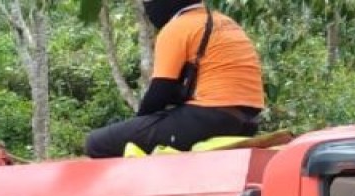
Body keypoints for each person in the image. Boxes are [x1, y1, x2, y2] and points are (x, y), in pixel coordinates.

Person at [83, 0, 265, 159]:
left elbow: (160, 93)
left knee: (96, 143)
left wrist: (139, 127)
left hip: (208, 118)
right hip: (246, 122)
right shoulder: (224, 21)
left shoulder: (177, 28)